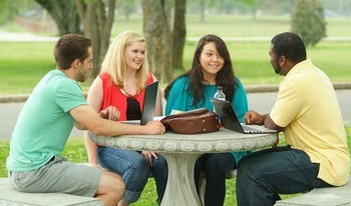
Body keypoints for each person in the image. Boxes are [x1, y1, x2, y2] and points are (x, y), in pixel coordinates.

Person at [6, 34, 166, 206]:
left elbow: (82, 123)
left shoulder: (53, 78)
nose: (91, 67)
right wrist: (145, 130)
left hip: (27, 168)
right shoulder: (65, 86)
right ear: (76, 63)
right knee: (115, 186)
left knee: (112, 183)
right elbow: (98, 128)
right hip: (35, 171)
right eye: (89, 61)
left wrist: (99, 116)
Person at [236, 32, 350, 206]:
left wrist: (266, 119)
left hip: (323, 163)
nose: (269, 60)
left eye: (270, 55)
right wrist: (262, 118)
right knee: (247, 163)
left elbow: (275, 124)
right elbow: (288, 114)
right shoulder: (314, 73)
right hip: (327, 158)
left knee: (252, 172)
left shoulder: (295, 81)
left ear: (282, 60)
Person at [83, 31, 168, 206]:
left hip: (142, 146)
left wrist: (148, 145)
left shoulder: (150, 81)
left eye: (142, 52)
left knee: (163, 163)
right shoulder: (103, 81)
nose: (140, 57)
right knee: (137, 164)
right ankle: (122, 204)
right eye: (135, 51)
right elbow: (87, 124)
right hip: (109, 147)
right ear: (121, 52)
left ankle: (166, 203)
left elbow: (156, 122)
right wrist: (92, 162)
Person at [164, 34, 249, 206]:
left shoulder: (234, 85)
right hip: (191, 146)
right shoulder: (183, 85)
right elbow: (172, 120)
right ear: (198, 57)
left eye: (220, 55)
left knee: (216, 163)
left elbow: (241, 120)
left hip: (227, 146)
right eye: (209, 54)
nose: (215, 60)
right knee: (192, 163)